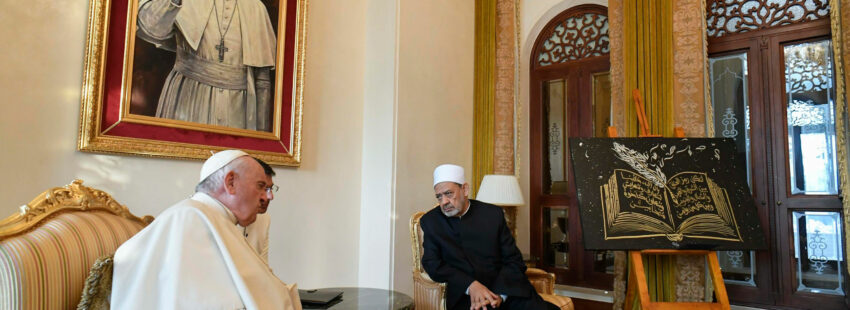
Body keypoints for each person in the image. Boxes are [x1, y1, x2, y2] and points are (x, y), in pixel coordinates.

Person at [111, 150, 301, 309]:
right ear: (231, 183)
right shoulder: (191, 218)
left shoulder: (214, 218)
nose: (268, 197)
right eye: (260, 186)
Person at [420, 164, 558, 310]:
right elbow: (432, 263)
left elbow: (514, 260)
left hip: (507, 290)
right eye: (439, 196)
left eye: (449, 193)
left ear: (465, 189)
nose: (444, 202)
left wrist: (500, 294)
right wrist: (470, 285)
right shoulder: (431, 221)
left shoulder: (492, 214)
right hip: (466, 296)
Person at [136, 0, 276, 131]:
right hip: (189, 96)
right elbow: (152, 29)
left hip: (237, 106)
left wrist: (261, 133)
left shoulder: (256, 9)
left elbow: (262, 79)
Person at [246, 157, 277, 263]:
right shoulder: (214, 217)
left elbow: (263, 268)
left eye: (270, 189)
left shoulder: (264, 219)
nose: (270, 196)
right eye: (261, 188)